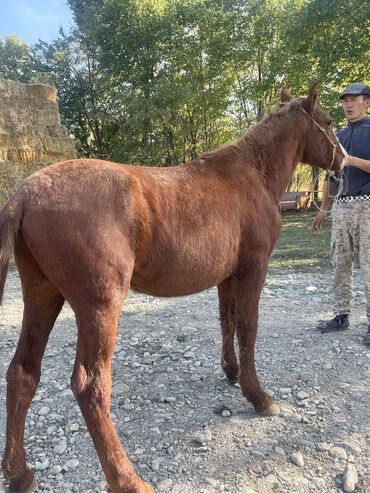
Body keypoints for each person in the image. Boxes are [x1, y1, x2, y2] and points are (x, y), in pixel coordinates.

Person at [312, 82, 370, 346]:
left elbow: (349, 164)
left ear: (366, 102)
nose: (348, 105)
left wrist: (351, 160)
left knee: (369, 266)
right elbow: (331, 176)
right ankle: (341, 315)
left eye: (353, 99)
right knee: (340, 263)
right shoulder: (338, 135)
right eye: (345, 100)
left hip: (367, 206)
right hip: (341, 206)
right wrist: (324, 209)